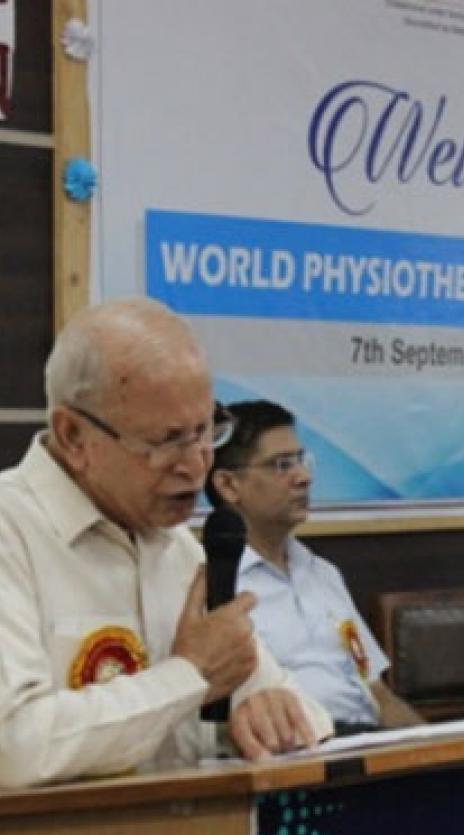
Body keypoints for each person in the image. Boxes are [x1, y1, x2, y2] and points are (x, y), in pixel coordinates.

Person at [0, 298, 332, 789]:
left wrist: (271, 718)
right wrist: (189, 676)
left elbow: (306, 716)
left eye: (205, 431)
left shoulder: (181, 549)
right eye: (167, 441)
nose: (197, 465)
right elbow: (14, 748)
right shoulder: (12, 532)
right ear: (73, 436)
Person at [206, 400, 423, 731]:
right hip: (298, 758)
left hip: (369, 747)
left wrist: (431, 750)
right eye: (281, 465)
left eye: (301, 461)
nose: (304, 477)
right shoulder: (213, 586)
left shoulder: (322, 573)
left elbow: (378, 694)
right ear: (228, 485)